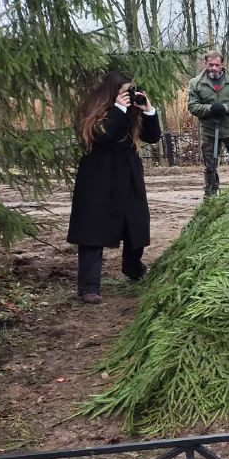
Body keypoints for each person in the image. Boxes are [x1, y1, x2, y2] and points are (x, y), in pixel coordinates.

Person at [67, 71, 161, 304]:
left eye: (130, 91)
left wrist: (148, 110)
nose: (127, 96)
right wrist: (118, 110)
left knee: (135, 222)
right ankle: (89, 286)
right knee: (93, 228)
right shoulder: (93, 106)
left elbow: (153, 137)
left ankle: (133, 267)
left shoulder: (132, 109)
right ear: (112, 92)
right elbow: (103, 135)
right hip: (98, 176)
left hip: (128, 172)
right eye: (123, 92)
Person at [187, 50, 229, 197]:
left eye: (217, 65)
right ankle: (210, 194)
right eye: (211, 65)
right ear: (206, 64)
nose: (214, 68)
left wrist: (226, 108)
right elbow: (192, 106)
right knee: (210, 166)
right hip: (209, 131)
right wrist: (210, 109)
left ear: (222, 64)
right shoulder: (196, 83)